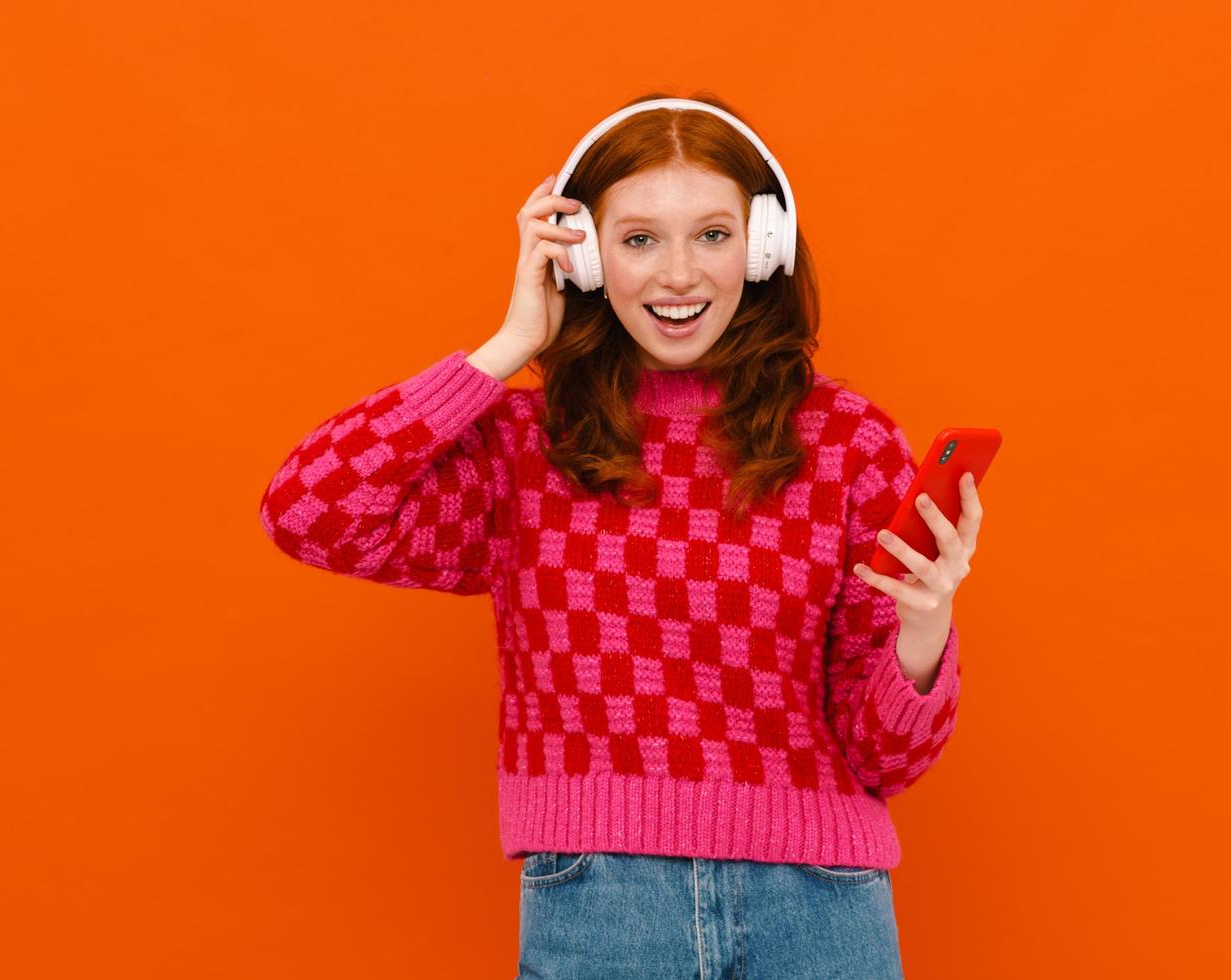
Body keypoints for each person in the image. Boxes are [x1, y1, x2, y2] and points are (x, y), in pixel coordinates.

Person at [259, 91, 986, 979]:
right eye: (639, 239)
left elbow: (886, 757)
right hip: (602, 904)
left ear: (765, 248)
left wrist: (924, 626)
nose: (679, 275)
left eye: (713, 236)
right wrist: (511, 341)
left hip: (822, 904)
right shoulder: (526, 447)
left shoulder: (846, 441)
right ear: (586, 259)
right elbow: (309, 509)